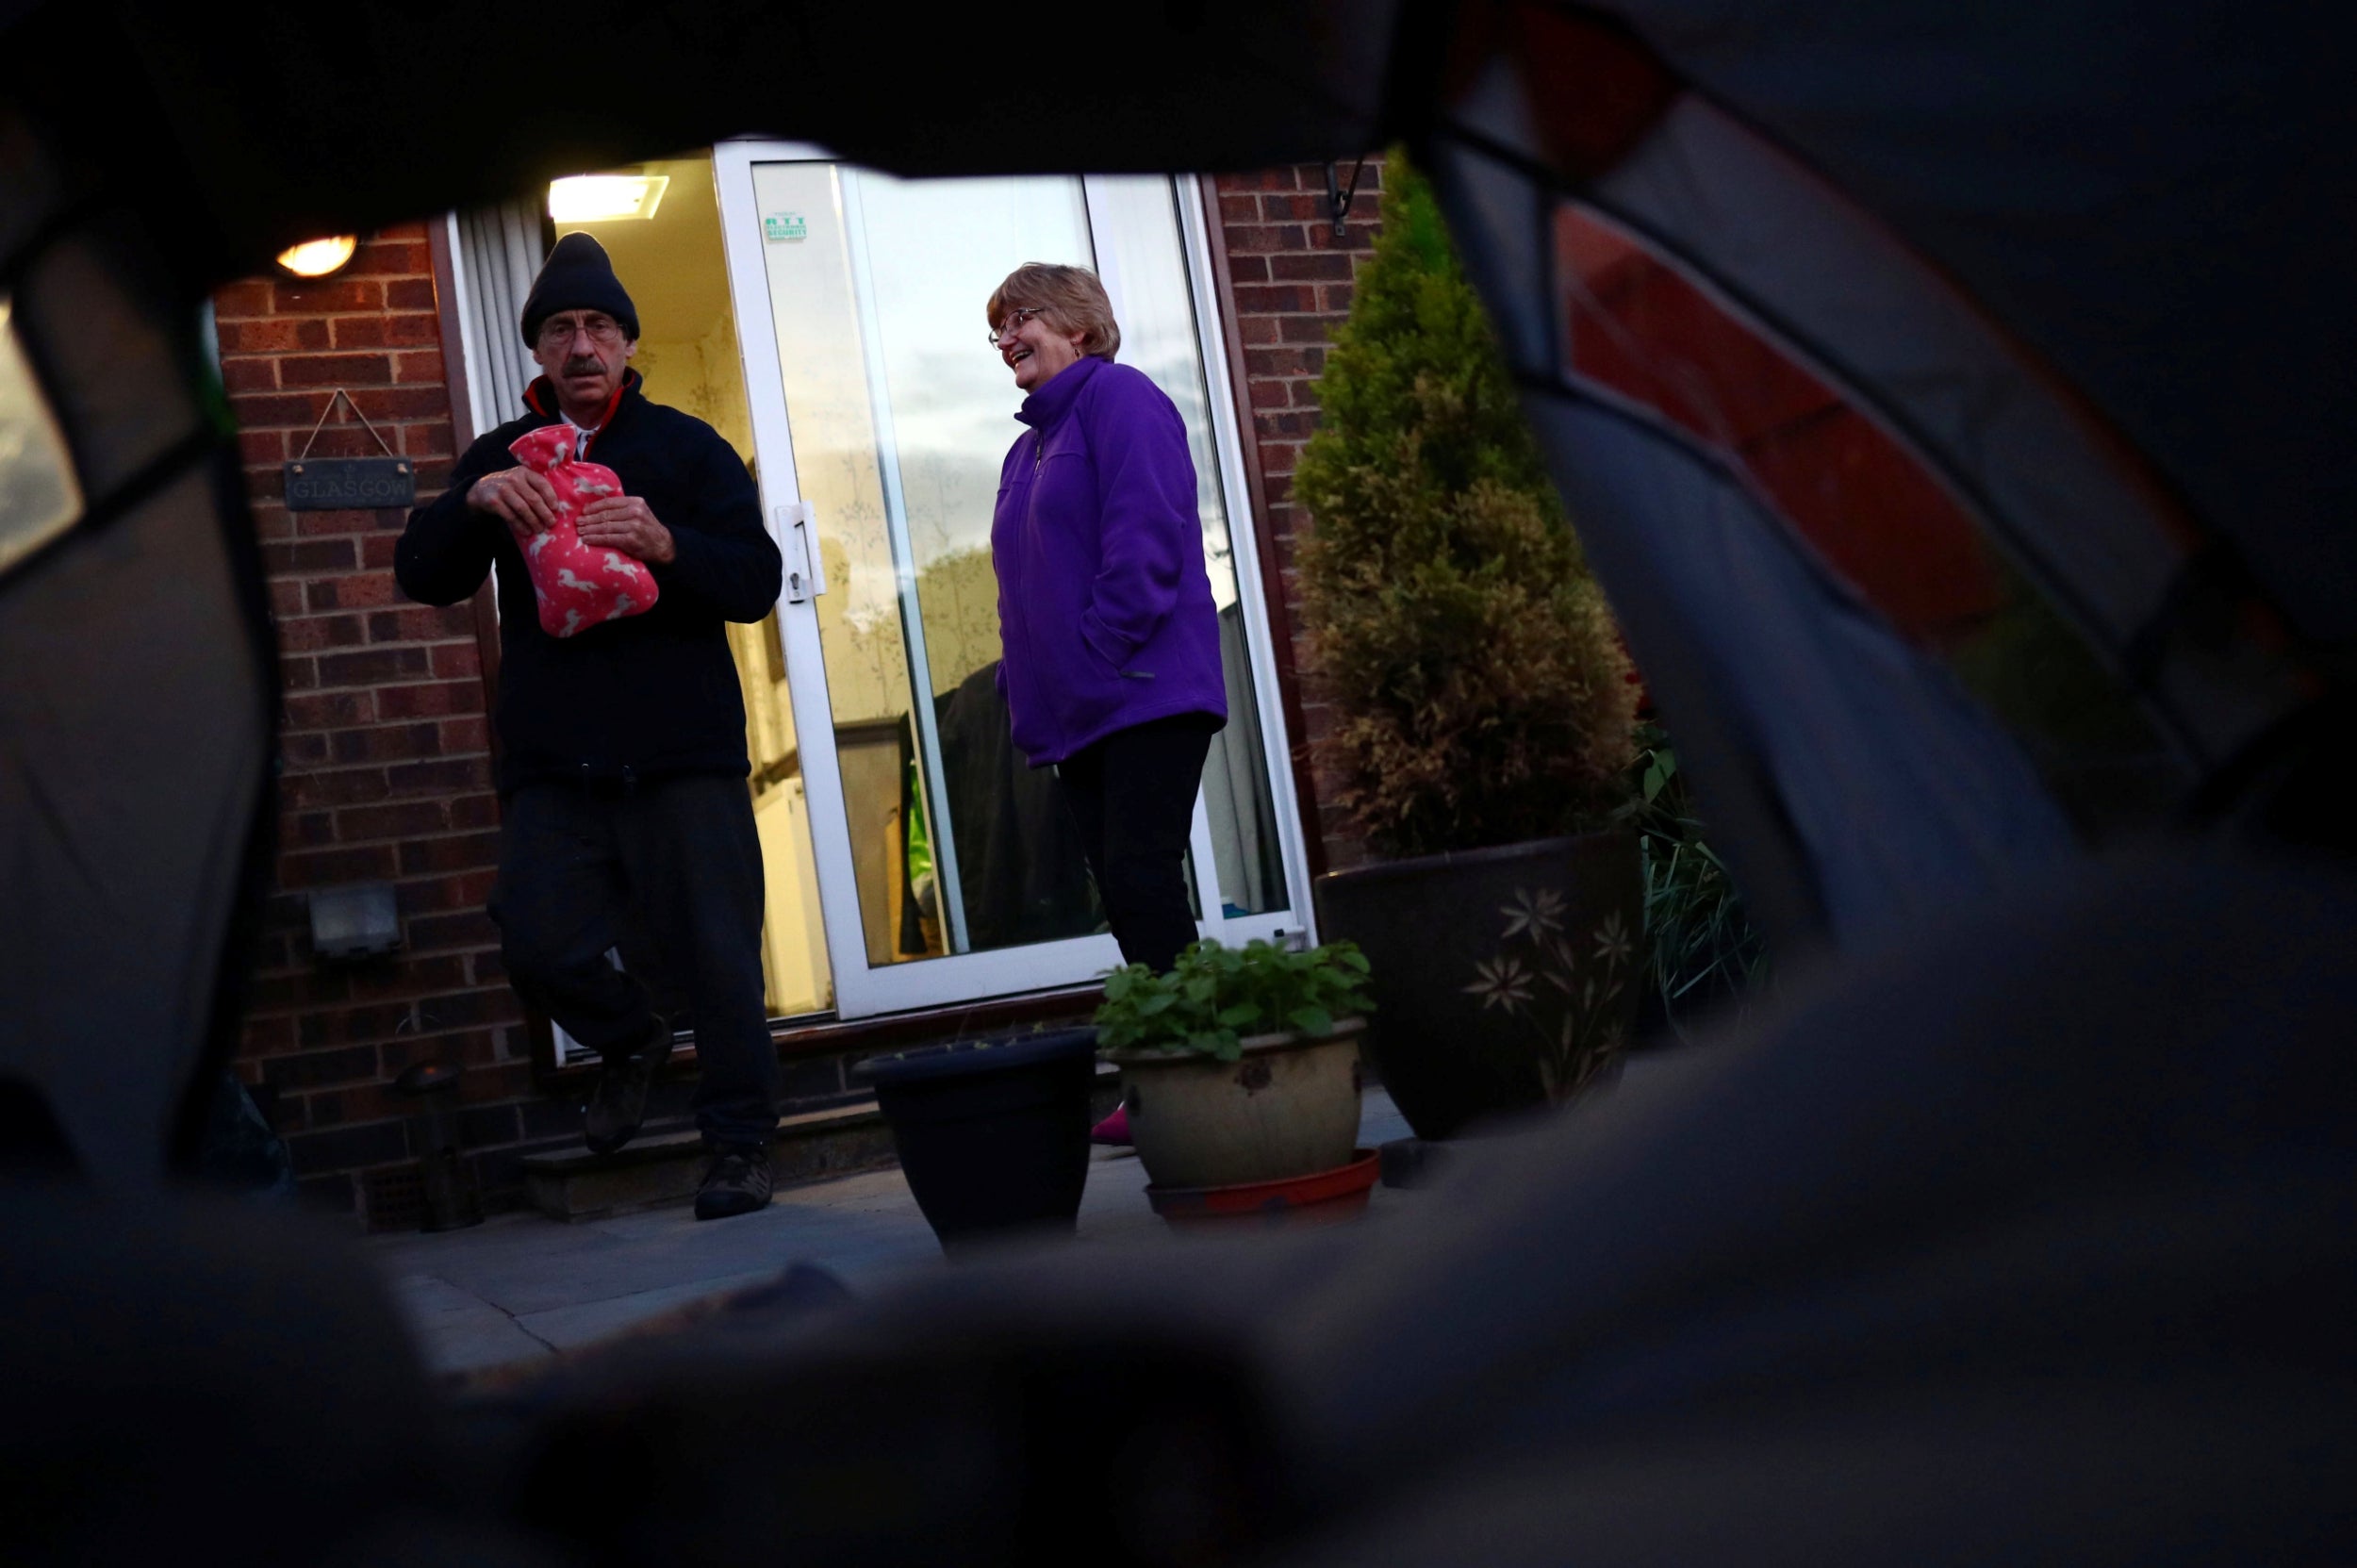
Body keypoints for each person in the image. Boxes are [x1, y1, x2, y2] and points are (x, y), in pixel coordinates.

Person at [395, 233, 784, 1220]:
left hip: (681, 754)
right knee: (535, 940)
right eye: (561, 328)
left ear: (625, 343)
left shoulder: (684, 450)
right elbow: (423, 577)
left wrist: (668, 542)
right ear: (536, 350)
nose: (581, 345)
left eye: (599, 326)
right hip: (553, 766)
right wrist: (471, 501)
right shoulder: (499, 459)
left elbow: (753, 581)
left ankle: (738, 1149)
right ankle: (626, 1038)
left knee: (720, 963)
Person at [986, 263, 1228, 1142]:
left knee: (1140, 875)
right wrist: (1031, 681)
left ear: (1077, 326)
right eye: (998, 328)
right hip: (1080, 711)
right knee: (1124, 893)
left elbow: (1151, 531)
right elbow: (1027, 585)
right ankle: (1170, 1067)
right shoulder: (1024, 451)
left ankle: (1201, 1072)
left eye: (1021, 318)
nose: (1006, 337)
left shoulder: (1119, 400)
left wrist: (1096, 649)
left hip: (1145, 692)